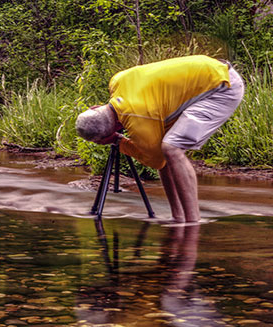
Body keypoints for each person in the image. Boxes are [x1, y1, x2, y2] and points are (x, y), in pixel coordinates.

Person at [76, 55, 244, 224]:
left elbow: (156, 161)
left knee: (171, 148)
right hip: (210, 71)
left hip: (222, 88)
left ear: (111, 132)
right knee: (165, 146)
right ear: (95, 107)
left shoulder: (138, 118)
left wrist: (120, 142)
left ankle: (192, 222)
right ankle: (178, 217)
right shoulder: (116, 81)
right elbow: (160, 160)